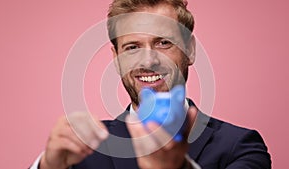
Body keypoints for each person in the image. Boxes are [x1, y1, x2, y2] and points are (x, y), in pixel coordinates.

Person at [30, 0, 271, 168]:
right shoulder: (83, 150)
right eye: (132, 47)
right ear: (116, 59)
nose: (148, 60)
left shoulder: (239, 146)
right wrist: (49, 166)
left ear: (190, 50)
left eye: (164, 43)